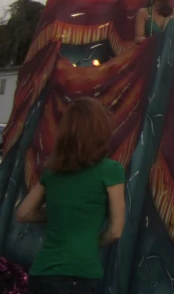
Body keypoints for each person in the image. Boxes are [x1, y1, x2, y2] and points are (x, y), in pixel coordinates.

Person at [16, 98, 126, 294]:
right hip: (79, 273)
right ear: (100, 131)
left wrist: (61, 213)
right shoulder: (111, 170)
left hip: (41, 272)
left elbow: (23, 213)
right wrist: (90, 241)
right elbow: (116, 230)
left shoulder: (53, 172)